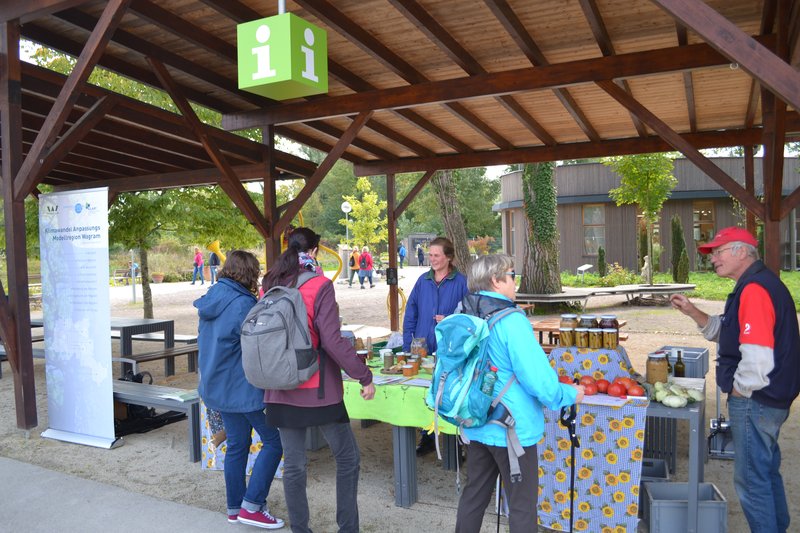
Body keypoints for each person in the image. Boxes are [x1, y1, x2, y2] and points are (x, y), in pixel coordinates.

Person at [670, 227, 800, 533]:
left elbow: (757, 359)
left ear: (742, 251)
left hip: (757, 401)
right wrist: (691, 310)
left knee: (752, 481)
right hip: (770, 399)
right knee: (766, 473)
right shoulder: (757, 284)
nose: (713, 259)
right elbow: (724, 332)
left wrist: (741, 392)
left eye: (718, 251)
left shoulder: (754, 289)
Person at [455, 254, 584, 533]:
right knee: (522, 506)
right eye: (512, 274)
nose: (516, 281)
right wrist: (570, 394)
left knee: (474, 496)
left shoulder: (462, 315)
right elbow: (539, 382)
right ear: (495, 280)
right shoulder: (511, 321)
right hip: (512, 429)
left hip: (476, 422)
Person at [262, 227, 375, 533]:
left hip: (280, 387)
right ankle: (348, 529)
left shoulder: (269, 282)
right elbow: (333, 341)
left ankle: (301, 529)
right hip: (318, 390)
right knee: (348, 458)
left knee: (295, 466)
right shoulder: (320, 284)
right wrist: (364, 375)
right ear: (313, 251)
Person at [194, 250, 285, 529]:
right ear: (250, 274)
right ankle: (252, 505)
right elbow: (258, 346)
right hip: (242, 387)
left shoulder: (213, 296)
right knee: (274, 442)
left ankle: (235, 508)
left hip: (216, 384)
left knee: (237, 445)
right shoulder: (243, 303)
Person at [403, 236, 468, 455]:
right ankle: (427, 437)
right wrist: (406, 345)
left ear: (448, 257)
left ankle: (456, 442)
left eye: (436, 255)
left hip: (450, 349)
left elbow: (470, 318)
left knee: (450, 391)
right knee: (424, 391)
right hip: (422, 345)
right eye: (430, 255)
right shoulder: (423, 281)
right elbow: (410, 312)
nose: (432, 259)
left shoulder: (462, 282)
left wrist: (450, 318)